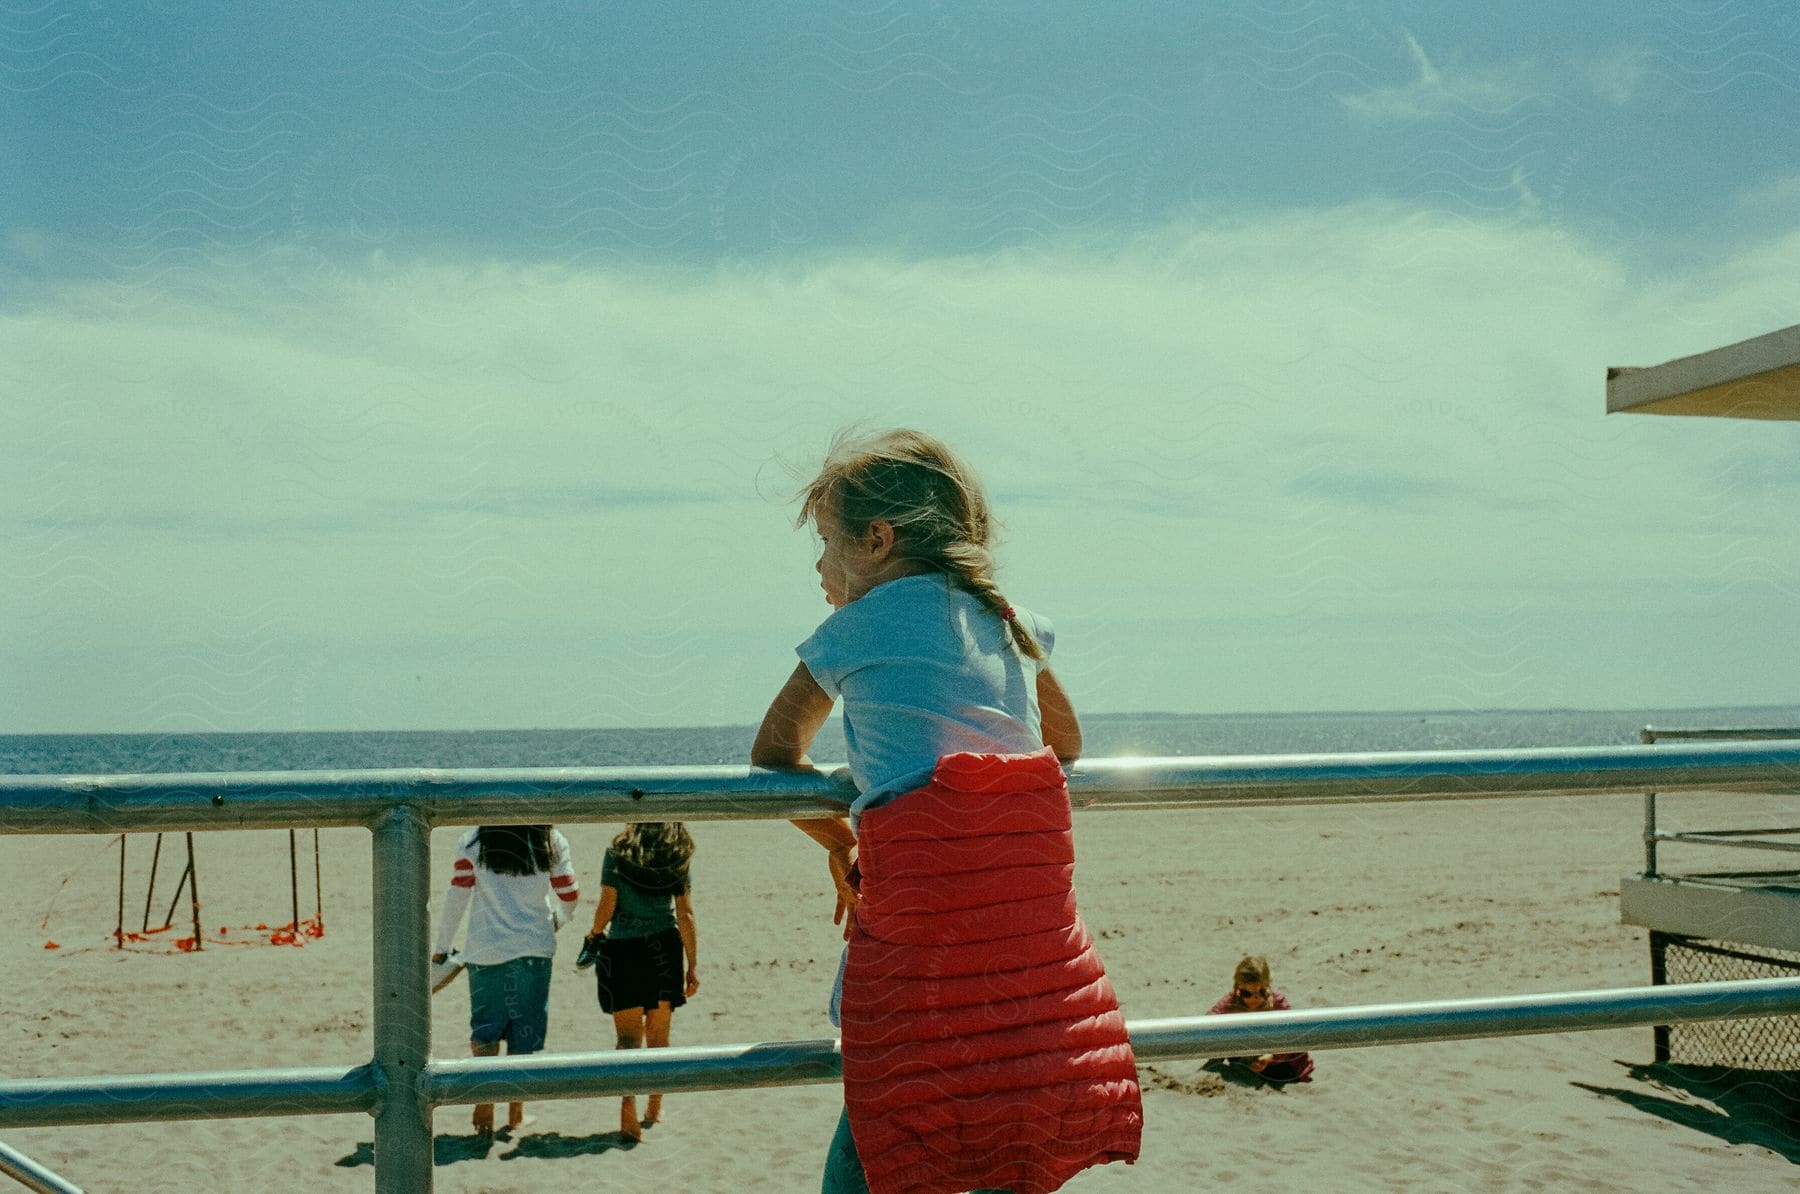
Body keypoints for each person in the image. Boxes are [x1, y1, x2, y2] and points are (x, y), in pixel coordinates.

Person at [751, 428, 1142, 1194]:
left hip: (925, 920)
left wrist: (840, 839)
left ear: (877, 539)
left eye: (827, 543)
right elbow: (1063, 745)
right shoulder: (1012, 620)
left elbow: (772, 757)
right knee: (999, 1089)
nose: (820, 566)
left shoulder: (854, 627)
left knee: (887, 1103)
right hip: (1019, 930)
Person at [432, 824, 580, 1138]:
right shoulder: (550, 840)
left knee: (485, 1031)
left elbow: (456, 897)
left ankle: (484, 1108)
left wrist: (442, 948)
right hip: (533, 949)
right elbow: (568, 891)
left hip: (485, 951)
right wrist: (559, 918)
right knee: (523, 1035)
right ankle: (516, 1114)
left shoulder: (473, 841)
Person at [576, 821, 699, 1142]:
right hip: (664, 949)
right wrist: (692, 965)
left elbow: (608, 901)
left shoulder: (616, 852)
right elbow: (685, 913)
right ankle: (654, 1110)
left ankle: (628, 1113)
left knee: (628, 1041)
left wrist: (594, 933)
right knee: (659, 1038)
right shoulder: (676, 853)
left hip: (624, 950)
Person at [1207, 954, 1315, 1084]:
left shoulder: (1277, 1003)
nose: (1254, 998)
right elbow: (1210, 1018)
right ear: (1237, 988)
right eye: (1246, 993)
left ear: (1267, 987)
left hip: (1281, 1062)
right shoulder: (1233, 1001)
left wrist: (1270, 1057)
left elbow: (1293, 1038)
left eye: (1261, 992)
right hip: (1249, 1057)